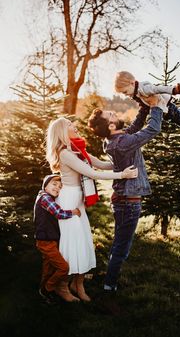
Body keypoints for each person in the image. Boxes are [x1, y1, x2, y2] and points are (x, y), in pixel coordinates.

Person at [88, 95, 167, 313]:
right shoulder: (121, 143)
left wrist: (143, 107)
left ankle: (109, 280)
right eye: (111, 115)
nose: (115, 113)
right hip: (127, 203)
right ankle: (108, 288)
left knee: (120, 245)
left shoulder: (115, 139)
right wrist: (158, 108)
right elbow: (151, 131)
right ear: (111, 125)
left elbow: (134, 127)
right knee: (121, 248)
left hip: (125, 201)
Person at [45, 117, 138, 302]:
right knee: (72, 244)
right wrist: (122, 174)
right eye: (71, 126)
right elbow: (92, 173)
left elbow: (101, 165)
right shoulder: (65, 153)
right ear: (63, 132)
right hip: (69, 201)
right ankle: (62, 286)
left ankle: (78, 285)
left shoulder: (78, 150)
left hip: (78, 201)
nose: (75, 127)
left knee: (83, 241)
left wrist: (122, 160)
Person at [114, 71, 180, 156]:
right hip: (168, 110)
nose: (125, 95)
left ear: (132, 83)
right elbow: (140, 118)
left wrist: (174, 90)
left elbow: (157, 88)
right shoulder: (138, 94)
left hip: (169, 110)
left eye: (125, 92)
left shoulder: (144, 89)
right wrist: (129, 132)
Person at [34, 174, 81, 304]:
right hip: (45, 241)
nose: (57, 188)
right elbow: (59, 213)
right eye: (54, 184)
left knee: (48, 267)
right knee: (63, 268)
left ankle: (43, 291)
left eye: (60, 187)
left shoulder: (47, 197)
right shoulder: (45, 198)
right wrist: (74, 212)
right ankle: (48, 288)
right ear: (45, 185)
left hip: (49, 239)